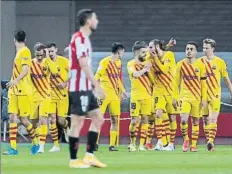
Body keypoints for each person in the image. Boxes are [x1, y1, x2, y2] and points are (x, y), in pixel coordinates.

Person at [68, 9, 106, 168]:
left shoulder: (84, 39)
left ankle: (89, 156)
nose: (97, 21)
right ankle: (74, 160)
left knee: (98, 118)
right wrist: (97, 85)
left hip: (85, 87)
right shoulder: (80, 39)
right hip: (79, 88)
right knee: (77, 122)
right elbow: (83, 65)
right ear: (88, 21)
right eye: (95, 18)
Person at [3, 29, 39, 155]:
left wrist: (15, 81)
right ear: (25, 39)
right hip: (14, 91)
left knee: (23, 119)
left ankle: (35, 142)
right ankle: (13, 148)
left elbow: (25, 70)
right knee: (12, 117)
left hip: (23, 90)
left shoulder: (25, 51)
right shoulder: (19, 52)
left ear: (14, 39)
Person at [173, 41, 207, 152]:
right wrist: (175, 97)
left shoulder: (201, 65)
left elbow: (203, 83)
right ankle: (186, 139)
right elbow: (176, 83)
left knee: (196, 122)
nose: (188, 51)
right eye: (187, 49)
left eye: (191, 49)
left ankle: (193, 145)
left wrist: (204, 98)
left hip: (197, 97)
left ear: (196, 52)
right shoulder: (180, 64)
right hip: (184, 97)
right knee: (183, 120)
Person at [200, 38, 232, 151]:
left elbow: (226, 79)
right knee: (205, 120)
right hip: (202, 96)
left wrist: (231, 91)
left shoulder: (219, 62)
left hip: (215, 95)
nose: (204, 50)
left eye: (207, 48)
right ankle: (209, 141)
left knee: (213, 119)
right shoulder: (199, 62)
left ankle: (210, 141)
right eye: (203, 48)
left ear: (212, 48)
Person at [95, 42, 127, 151]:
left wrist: (123, 91)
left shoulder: (118, 62)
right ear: (119, 52)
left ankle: (112, 145)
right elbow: (97, 75)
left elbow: (116, 78)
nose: (123, 54)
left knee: (114, 119)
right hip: (103, 94)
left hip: (114, 95)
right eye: (123, 52)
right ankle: (94, 143)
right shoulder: (104, 62)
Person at [148, 39, 177, 151]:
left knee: (171, 117)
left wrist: (156, 57)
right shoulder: (150, 57)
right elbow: (141, 58)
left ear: (157, 47)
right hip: (158, 90)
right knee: (158, 114)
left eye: (151, 47)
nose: (148, 49)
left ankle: (171, 144)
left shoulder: (169, 55)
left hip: (170, 90)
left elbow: (164, 70)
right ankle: (160, 142)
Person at [30, 42, 58, 153]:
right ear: (35, 53)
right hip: (33, 96)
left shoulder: (47, 62)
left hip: (46, 95)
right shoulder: (31, 63)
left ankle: (41, 146)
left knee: (43, 120)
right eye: (38, 55)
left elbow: (55, 72)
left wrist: (47, 58)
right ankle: (36, 142)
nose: (40, 57)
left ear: (44, 53)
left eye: (41, 55)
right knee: (33, 122)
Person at [127, 41, 155, 152]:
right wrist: (145, 70)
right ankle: (132, 143)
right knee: (134, 120)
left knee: (145, 120)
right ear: (137, 52)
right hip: (135, 96)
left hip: (148, 96)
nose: (145, 54)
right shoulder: (131, 63)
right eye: (143, 52)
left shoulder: (148, 62)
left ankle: (142, 145)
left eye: (146, 52)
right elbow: (135, 75)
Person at [46, 42, 69, 152]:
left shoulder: (64, 61)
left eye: (52, 51)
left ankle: (66, 127)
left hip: (62, 94)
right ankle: (56, 145)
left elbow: (72, 72)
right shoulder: (46, 62)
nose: (50, 53)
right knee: (52, 119)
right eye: (48, 51)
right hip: (50, 94)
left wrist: (65, 83)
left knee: (61, 121)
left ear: (56, 50)